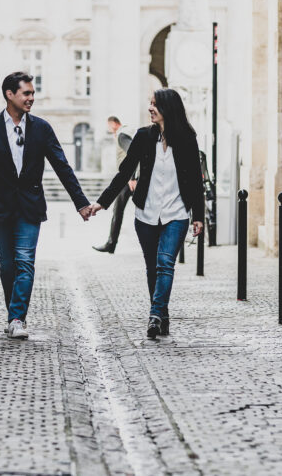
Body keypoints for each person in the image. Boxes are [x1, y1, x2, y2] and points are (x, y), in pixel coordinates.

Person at [0, 71, 92, 339]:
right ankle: (14, 314)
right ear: (9, 94)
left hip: (30, 206)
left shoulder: (42, 128)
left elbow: (62, 165)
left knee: (25, 261)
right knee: (7, 265)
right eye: (26, 93)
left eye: (33, 93)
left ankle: (17, 318)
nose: (31, 98)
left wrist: (80, 202)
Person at [87, 89, 204, 340]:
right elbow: (124, 172)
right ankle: (162, 314)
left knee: (165, 264)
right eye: (150, 104)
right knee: (153, 268)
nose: (150, 108)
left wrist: (198, 215)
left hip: (176, 212)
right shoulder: (143, 137)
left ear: (168, 109)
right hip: (146, 214)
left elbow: (196, 179)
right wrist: (102, 203)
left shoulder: (186, 138)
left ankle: (154, 315)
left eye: (155, 105)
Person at [93, 115, 136, 254]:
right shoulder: (127, 132)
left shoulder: (121, 135)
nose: (109, 129)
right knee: (119, 210)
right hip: (130, 178)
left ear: (113, 124)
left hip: (129, 179)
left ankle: (111, 244)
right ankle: (111, 244)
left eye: (108, 126)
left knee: (118, 211)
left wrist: (132, 177)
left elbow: (133, 155)